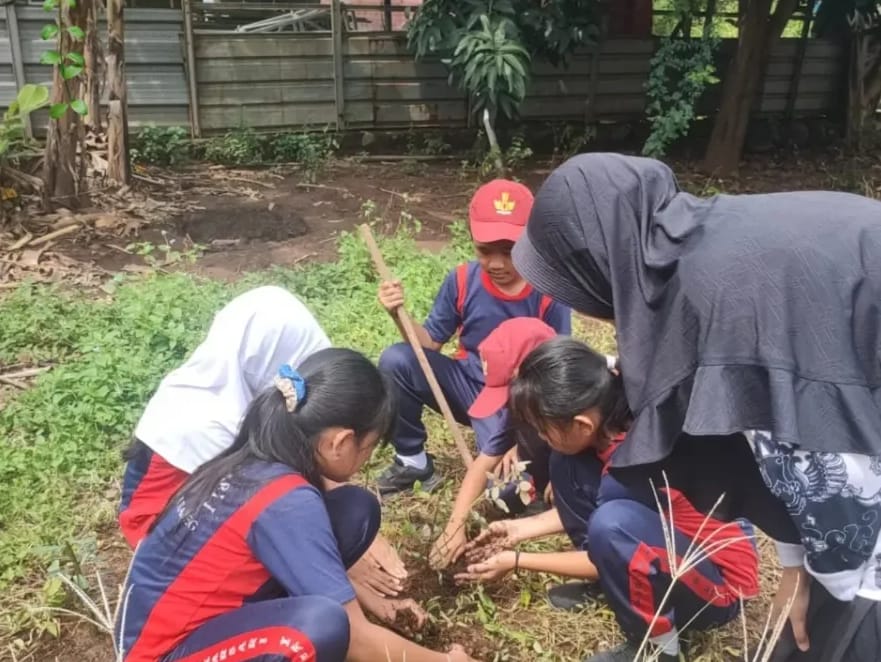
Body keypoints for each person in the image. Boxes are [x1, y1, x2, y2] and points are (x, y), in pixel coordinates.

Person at [512, 152, 881, 662]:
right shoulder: (685, 259)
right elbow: (776, 433)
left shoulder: (712, 304)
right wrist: (797, 561)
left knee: (837, 635)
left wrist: (838, 589)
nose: (577, 304)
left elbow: (827, 453)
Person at [117, 348, 479, 662]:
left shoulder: (255, 461)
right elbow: (357, 640)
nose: (365, 462)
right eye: (369, 449)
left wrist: (374, 603)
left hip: (188, 623)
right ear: (340, 442)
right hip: (164, 652)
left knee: (354, 509)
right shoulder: (287, 503)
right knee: (319, 627)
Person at [457, 333, 763, 662]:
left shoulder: (631, 469)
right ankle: (614, 585)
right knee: (567, 464)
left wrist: (517, 560)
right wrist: (519, 530)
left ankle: (659, 647)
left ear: (581, 423)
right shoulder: (613, 410)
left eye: (543, 428)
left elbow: (613, 538)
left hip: (720, 584)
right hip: (669, 539)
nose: (542, 437)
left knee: (610, 525)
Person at [118, 285, 407, 602]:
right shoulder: (207, 425)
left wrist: (362, 546)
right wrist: (349, 579)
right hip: (168, 553)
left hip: (222, 530)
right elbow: (285, 529)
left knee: (350, 512)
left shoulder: (252, 406)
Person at [375, 179, 571, 568]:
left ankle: (530, 466)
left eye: (509, 251)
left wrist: (521, 438)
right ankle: (413, 462)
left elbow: (556, 374)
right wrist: (398, 313)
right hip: (469, 385)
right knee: (397, 360)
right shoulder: (463, 281)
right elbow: (428, 345)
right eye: (485, 251)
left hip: (518, 401)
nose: (496, 263)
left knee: (507, 488)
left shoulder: (549, 291)